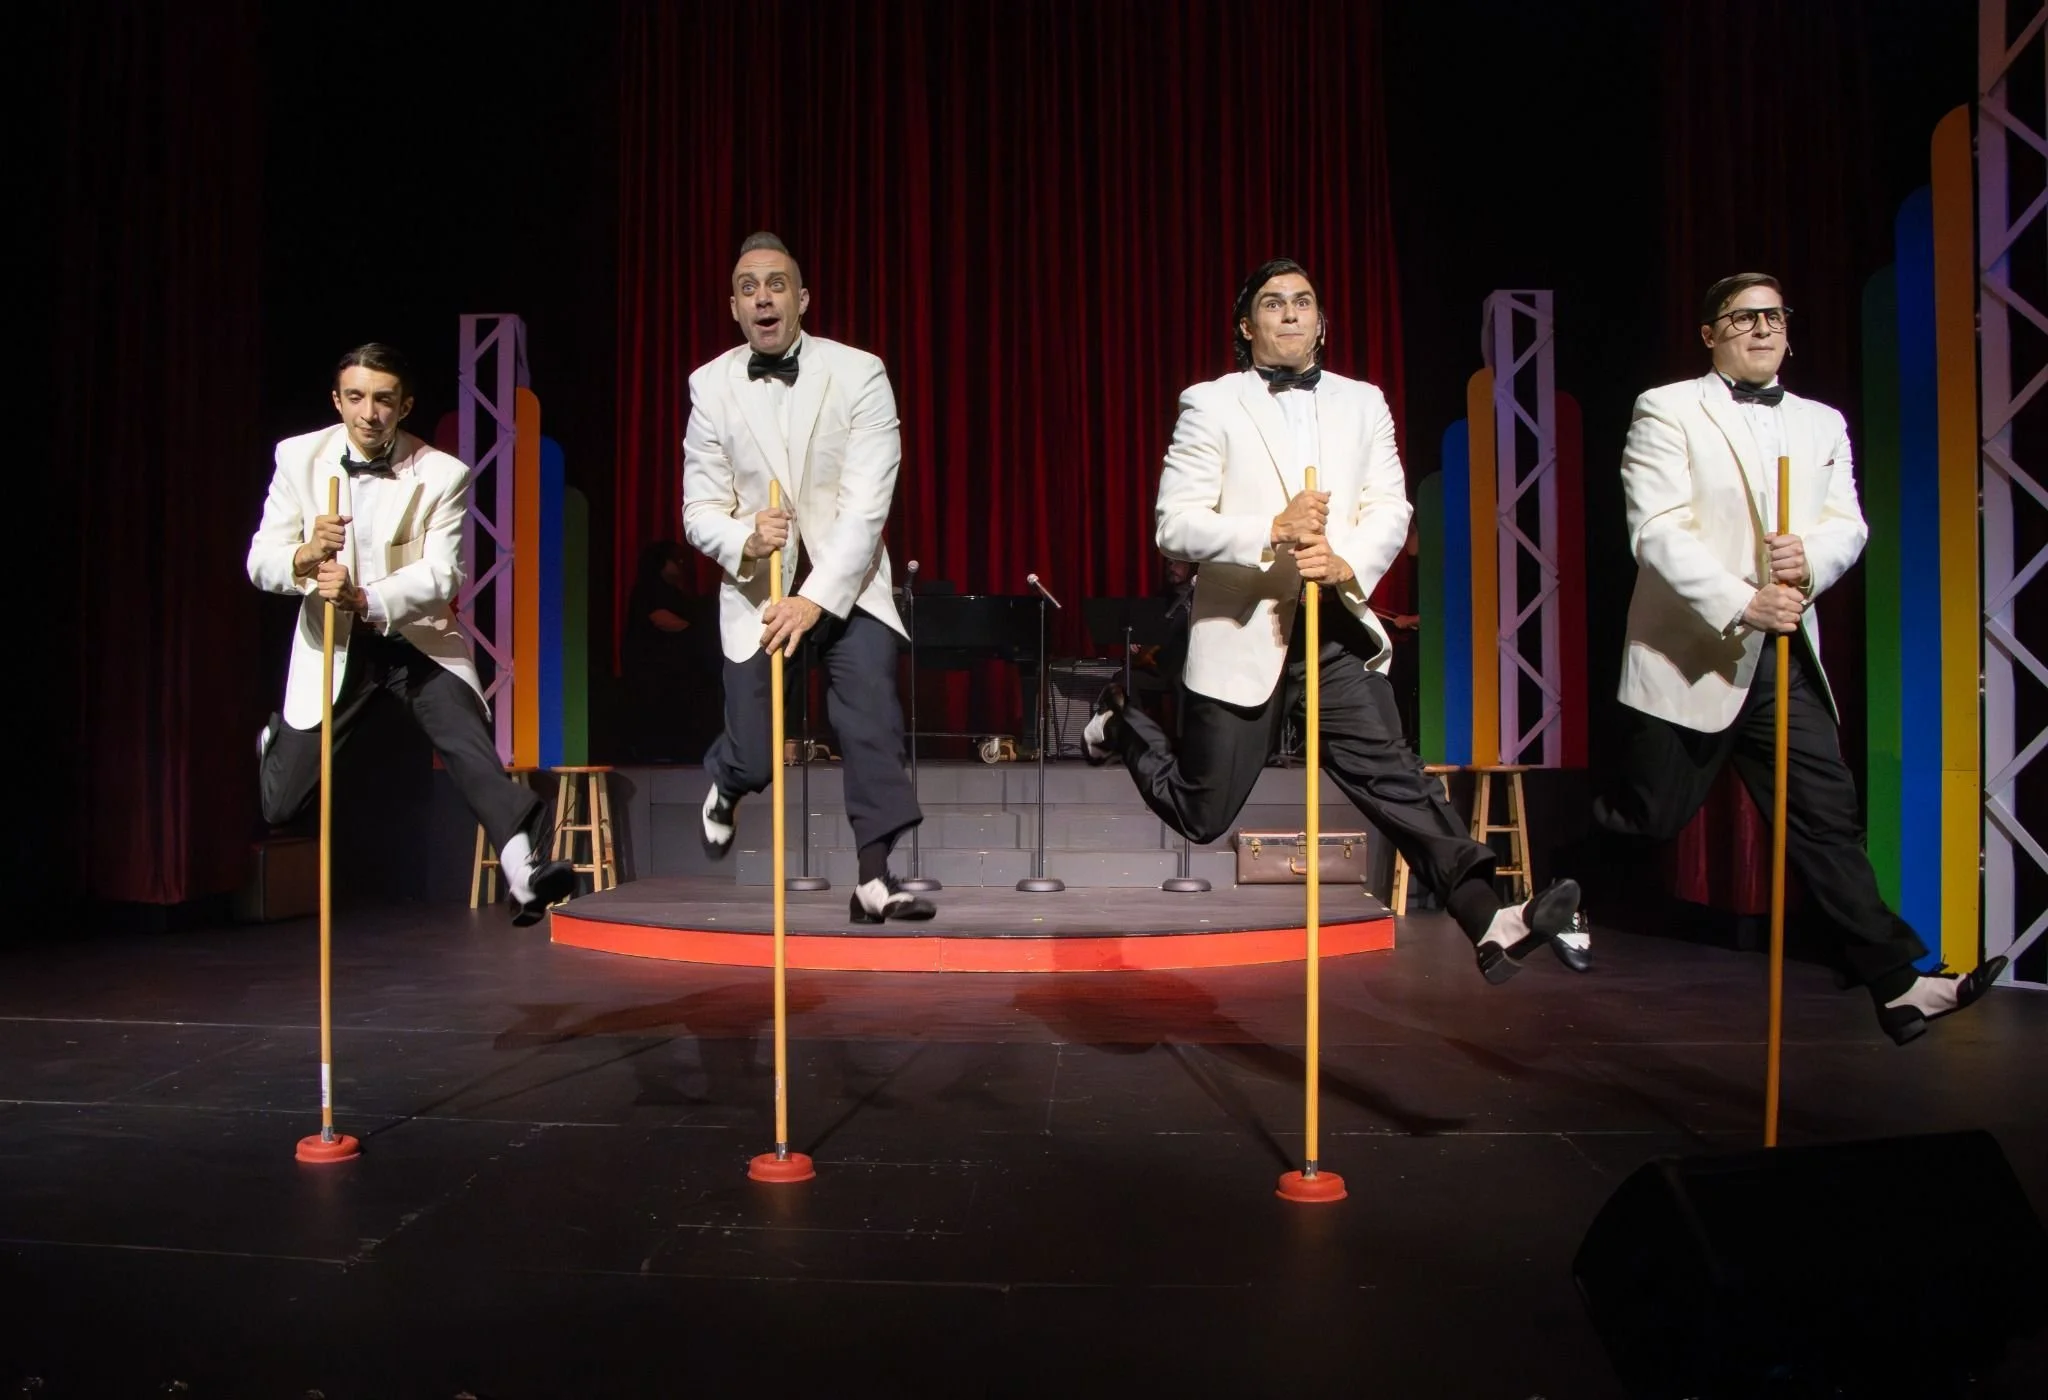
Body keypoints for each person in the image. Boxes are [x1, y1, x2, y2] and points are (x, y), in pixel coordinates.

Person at [1084, 258, 1586, 983]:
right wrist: (1273, 528)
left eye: (1304, 301)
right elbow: (1175, 525)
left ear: (1322, 321)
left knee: (1397, 780)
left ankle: (1491, 920)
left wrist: (1348, 560)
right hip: (1244, 631)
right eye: (1272, 303)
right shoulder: (1212, 403)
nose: (1290, 312)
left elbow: (1390, 506)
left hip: (1332, 629)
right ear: (1246, 325)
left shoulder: (1363, 402)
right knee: (1203, 813)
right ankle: (1121, 725)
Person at [1593, 272, 2003, 1043]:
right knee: (1651, 816)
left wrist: (1809, 561)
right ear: (1710, 334)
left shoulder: (1822, 423)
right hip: (1694, 652)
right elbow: (1656, 530)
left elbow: (1848, 524)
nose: (1762, 328)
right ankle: (1554, 898)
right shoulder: (1668, 407)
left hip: (1782, 654)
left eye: (1774, 316)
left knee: (1826, 818)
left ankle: (1898, 983)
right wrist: (1740, 600)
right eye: (1743, 317)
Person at [248, 344, 573, 925]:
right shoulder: (298, 458)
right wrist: (306, 554)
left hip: (412, 638)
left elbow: (444, 573)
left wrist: (366, 598)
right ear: (337, 401)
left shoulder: (441, 473)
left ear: (404, 406)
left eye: (383, 400)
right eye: (355, 398)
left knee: (466, 742)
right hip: (336, 643)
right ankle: (276, 745)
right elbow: (260, 563)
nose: (368, 413)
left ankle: (524, 873)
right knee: (281, 803)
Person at [682, 232, 933, 924]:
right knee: (758, 754)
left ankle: (874, 878)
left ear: (802, 298)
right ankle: (728, 780)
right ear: (735, 308)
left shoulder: (860, 373)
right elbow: (698, 510)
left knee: (870, 716)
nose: (763, 297)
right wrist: (743, 536)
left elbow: (867, 504)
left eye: (776, 284)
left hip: (847, 582)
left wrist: (816, 599)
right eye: (748, 288)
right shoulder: (710, 385)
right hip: (759, 588)